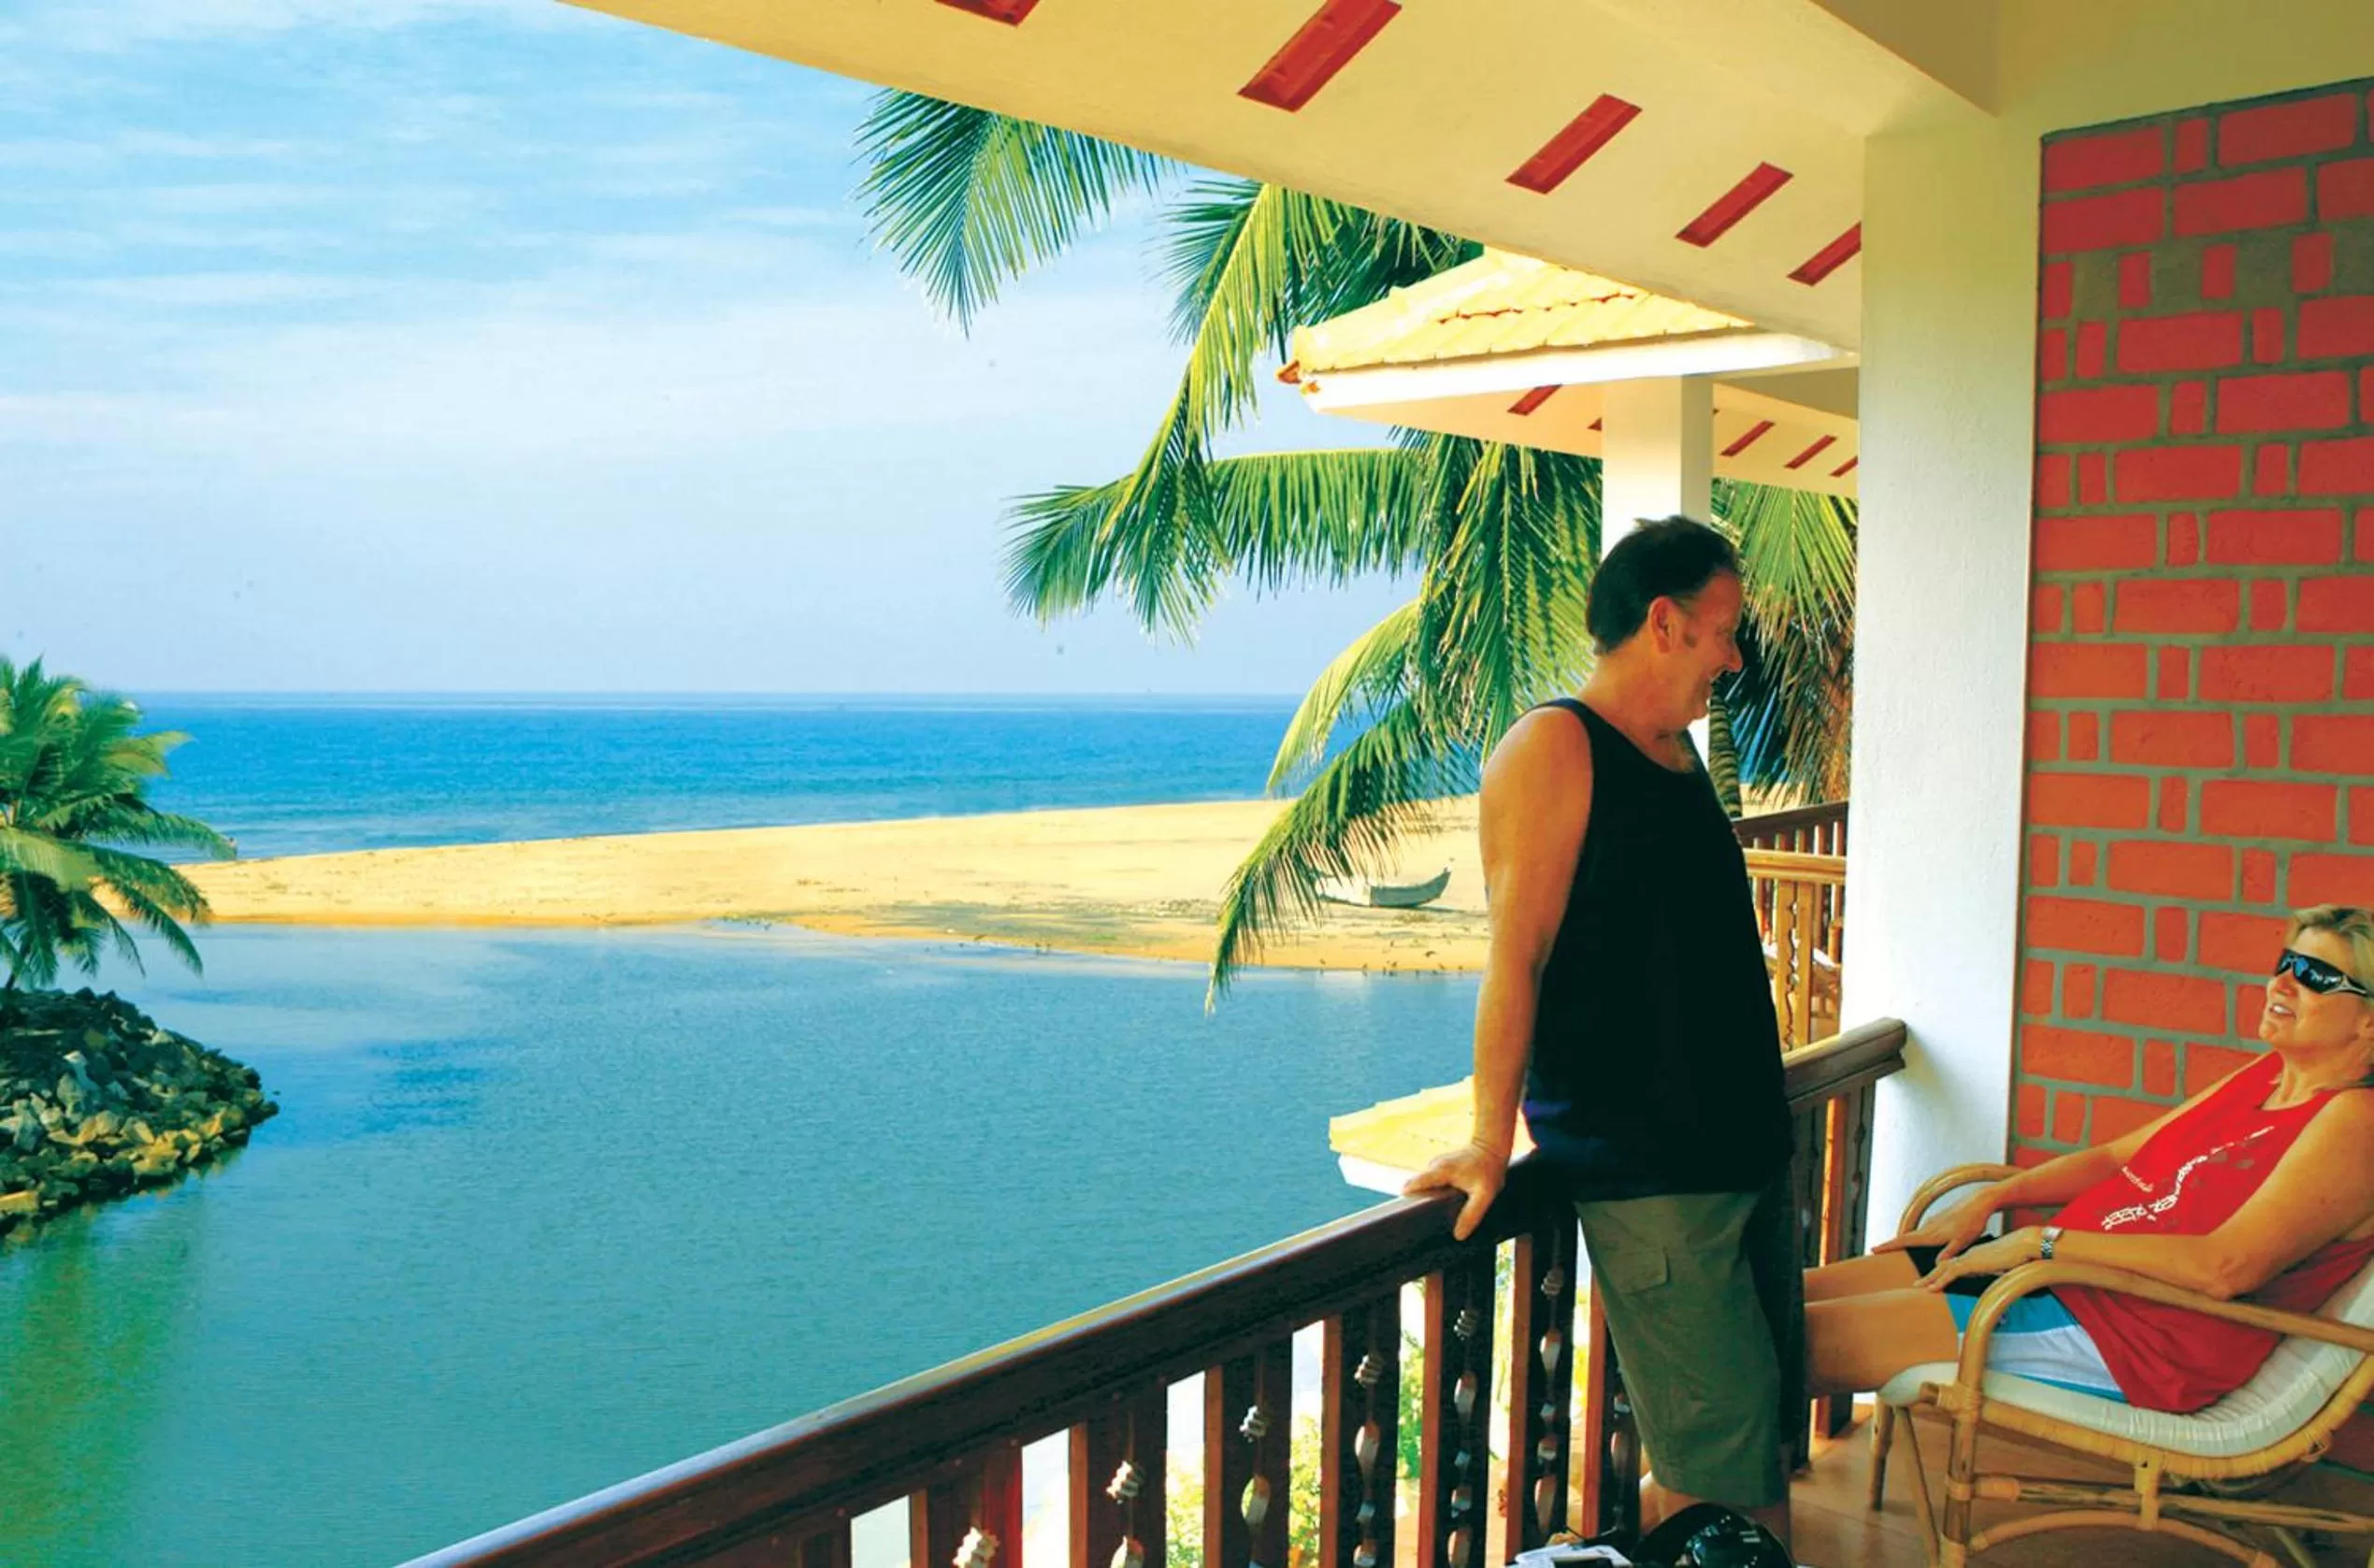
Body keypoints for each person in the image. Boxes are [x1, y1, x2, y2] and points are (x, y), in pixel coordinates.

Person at [1403, 515, 1801, 1546]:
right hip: (1656, 1176)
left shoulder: (1673, 755)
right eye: (1722, 630)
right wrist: (1490, 1141)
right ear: (1663, 624)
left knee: (1742, 1456)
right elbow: (1515, 957)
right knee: (1727, 1484)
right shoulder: (1554, 748)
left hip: (1740, 1154)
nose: (1733, 653)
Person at [1804, 905, 2374, 1414]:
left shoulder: (2356, 1123)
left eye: (2316, 977)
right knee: (1779, 1297)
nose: (2281, 983)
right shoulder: (2265, 1076)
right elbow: (2117, 1157)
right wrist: (1993, 1199)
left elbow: (2226, 1268)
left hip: (2130, 1333)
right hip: (2054, 1275)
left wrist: (2038, 1241)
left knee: (1788, 1342)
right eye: (2286, 963)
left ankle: (1739, 1518)